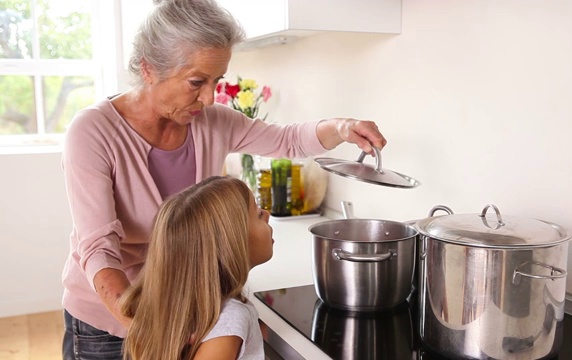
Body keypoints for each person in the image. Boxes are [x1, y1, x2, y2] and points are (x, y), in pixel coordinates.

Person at [61, 0, 386, 358]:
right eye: (197, 82)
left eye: (217, 81)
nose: (209, 97)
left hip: (188, 312)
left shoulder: (211, 121)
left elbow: (287, 139)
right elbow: (98, 250)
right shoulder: (93, 131)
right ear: (149, 69)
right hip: (113, 319)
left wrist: (342, 128)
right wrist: (150, 331)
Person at [120, 176, 272, 360]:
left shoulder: (190, 310)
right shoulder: (231, 319)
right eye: (258, 214)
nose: (267, 214)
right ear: (232, 243)